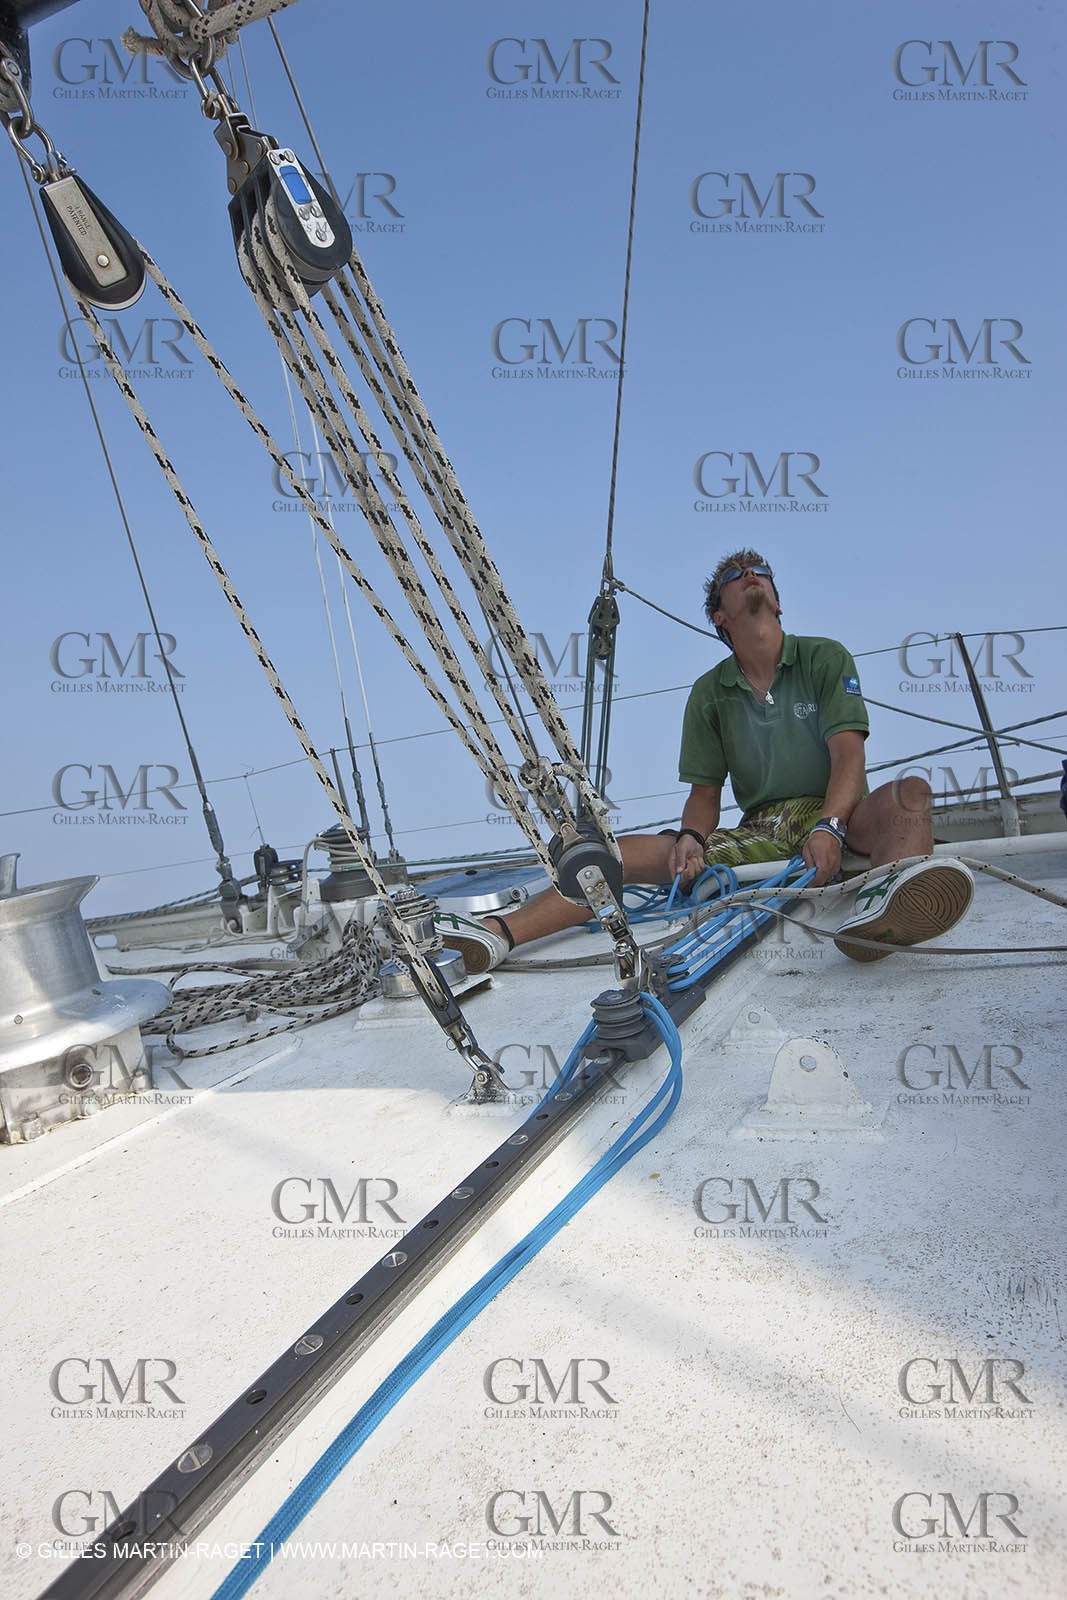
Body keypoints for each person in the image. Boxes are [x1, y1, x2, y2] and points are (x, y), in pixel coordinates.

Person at [437, 549, 973, 972]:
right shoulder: (708, 694)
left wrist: (831, 826)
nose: (751, 574)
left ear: (779, 601)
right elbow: (705, 795)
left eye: (759, 570)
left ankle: (880, 910)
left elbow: (848, 754)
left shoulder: (824, 658)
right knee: (615, 854)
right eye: (737, 575)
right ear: (721, 615)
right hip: (763, 826)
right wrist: (692, 840)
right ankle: (502, 934)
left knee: (912, 794)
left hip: (840, 813)